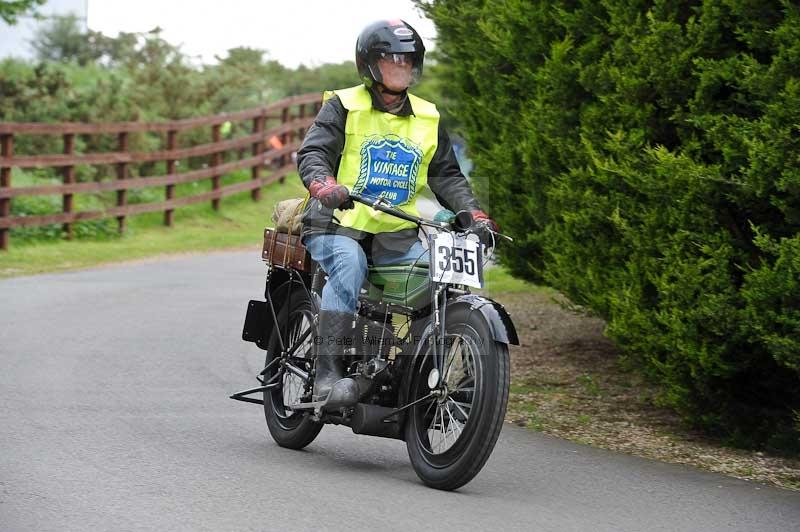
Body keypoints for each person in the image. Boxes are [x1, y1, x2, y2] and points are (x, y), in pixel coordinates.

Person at [296, 19, 499, 406]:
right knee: (349, 265)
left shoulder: (427, 117)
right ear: (371, 65)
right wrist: (323, 184)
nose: (401, 68)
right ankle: (327, 373)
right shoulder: (344, 104)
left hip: (395, 233)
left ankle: (407, 373)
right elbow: (314, 152)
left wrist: (474, 214)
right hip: (338, 225)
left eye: (408, 61)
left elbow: (446, 176)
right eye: (392, 60)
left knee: (435, 276)